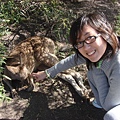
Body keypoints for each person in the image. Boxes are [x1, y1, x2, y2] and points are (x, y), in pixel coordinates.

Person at [32, 11, 120, 120]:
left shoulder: (118, 64)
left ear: (105, 33)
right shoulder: (104, 50)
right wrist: (46, 73)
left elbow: (109, 105)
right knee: (93, 69)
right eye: (79, 42)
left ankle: (101, 100)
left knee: (111, 116)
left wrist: (96, 69)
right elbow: (71, 60)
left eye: (89, 38)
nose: (86, 48)